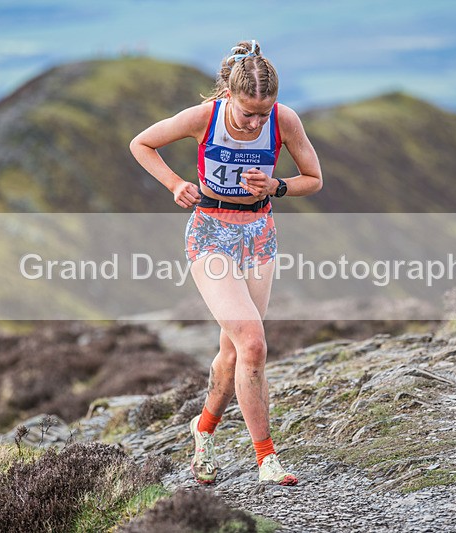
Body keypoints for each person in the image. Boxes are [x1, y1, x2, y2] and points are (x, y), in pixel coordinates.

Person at [129, 40, 322, 486]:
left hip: (259, 236)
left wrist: (276, 186)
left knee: (233, 352)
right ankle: (266, 458)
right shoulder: (205, 117)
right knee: (253, 342)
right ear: (228, 95)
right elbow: (142, 143)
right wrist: (176, 183)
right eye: (247, 113)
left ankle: (203, 430)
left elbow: (314, 179)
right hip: (210, 234)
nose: (256, 122)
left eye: (263, 113)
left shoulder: (284, 120)